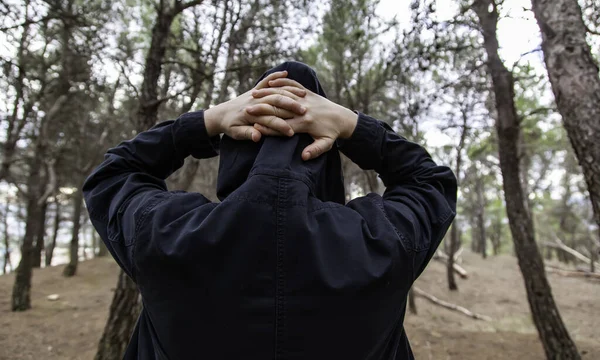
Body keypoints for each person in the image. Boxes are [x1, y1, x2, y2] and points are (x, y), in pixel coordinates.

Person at [83, 61, 457, 360]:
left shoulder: (167, 234)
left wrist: (207, 121)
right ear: (326, 152)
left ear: (235, 145)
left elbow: (113, 175)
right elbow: (428, 181)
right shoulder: (382, 242)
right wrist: (351, 125)